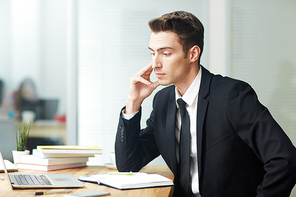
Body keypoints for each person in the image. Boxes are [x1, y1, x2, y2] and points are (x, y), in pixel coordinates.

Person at [115, 11, 296, 196]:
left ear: (193, 53)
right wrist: (133, 103)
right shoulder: (163, 101)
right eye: (153, 53)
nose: (155, 64)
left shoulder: (232, 96)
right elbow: (129, 164)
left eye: (166, 53)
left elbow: (285, 160)